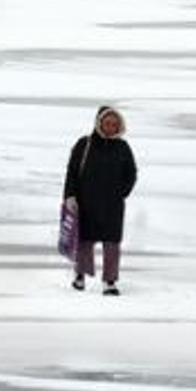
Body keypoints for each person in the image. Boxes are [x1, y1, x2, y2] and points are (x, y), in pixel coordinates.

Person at [64, 105, 137, 295]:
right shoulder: (84, 144)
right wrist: (70, 196)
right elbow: (72, 172)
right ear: (99, 123)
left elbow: (131, 173)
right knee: (84, 241)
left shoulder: (122, 147)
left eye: (115, 124)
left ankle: (109, 282)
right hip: (86, 201)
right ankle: (80, 276)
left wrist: (122, 192)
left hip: (112, 204)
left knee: (112, 243)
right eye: (107, 123)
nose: (111, 127)